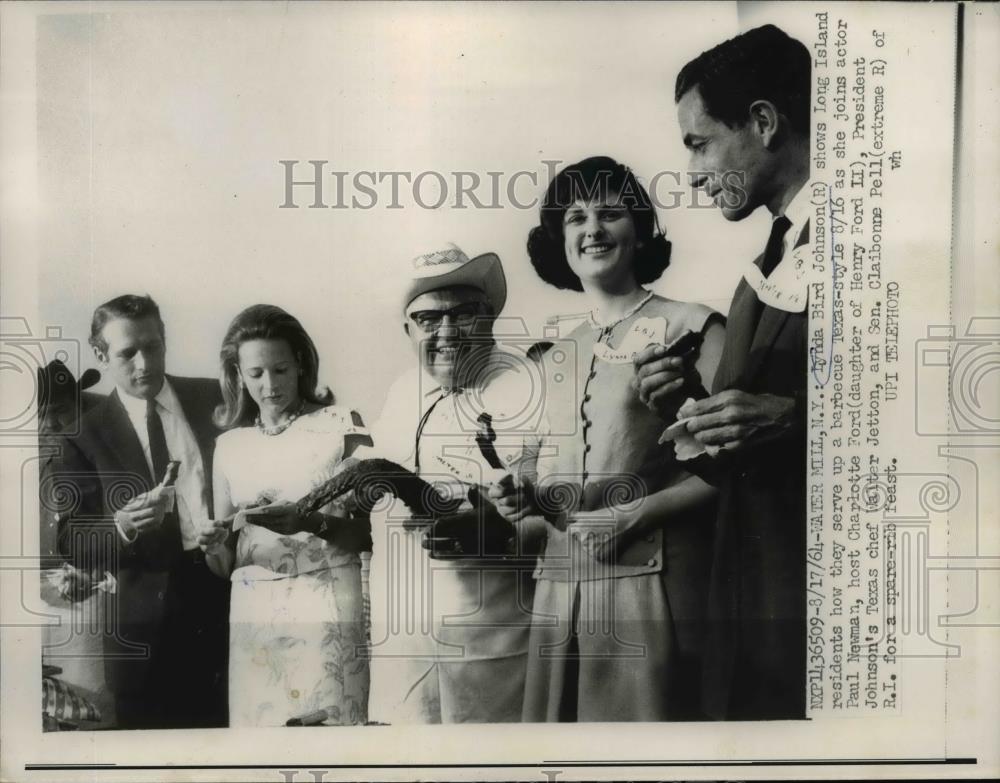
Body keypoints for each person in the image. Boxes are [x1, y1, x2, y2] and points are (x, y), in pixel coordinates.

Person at [502, 156, 726, 721]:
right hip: (558, 597)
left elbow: (741, 468)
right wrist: (519, 497)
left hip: (652, 588)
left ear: (642, 228)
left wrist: (636, 515)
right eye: (575, 217)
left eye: (610, 213)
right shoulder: (549, 356)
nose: (592, 229)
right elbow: (536, 493)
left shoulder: (694, 327)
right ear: (559, 239)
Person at [636, 24, 811, 719]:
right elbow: (745, 443)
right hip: (750, 609)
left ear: (763, 122)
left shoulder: (876, 241)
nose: (692, 172)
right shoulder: (757, 275)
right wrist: (694, 405)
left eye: (698, 142)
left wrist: (793, 419)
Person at [363, 243, 541, 724]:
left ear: (490, 317)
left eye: (463, 314)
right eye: (427, 320)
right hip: (404, 641)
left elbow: (556, 513)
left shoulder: (529, 386)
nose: (446, 332)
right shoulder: (401, 393)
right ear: (407, 329)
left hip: (493, 636)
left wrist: (498, 528)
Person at [52, 294, 228, 729]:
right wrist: (122, 525)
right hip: (141, 637)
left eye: (153, 346)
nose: (145, 364)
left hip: (224, 607)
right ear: (100, 354)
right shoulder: (83, 434)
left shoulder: (216, 399)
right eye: (128, 352)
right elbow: (70, 540)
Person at [197, 304, 372, 727]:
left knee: (334, 738)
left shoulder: (343, 423)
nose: (270, 385)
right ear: (237, 375)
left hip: (327, 601)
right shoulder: (229, 446)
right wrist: (214, 546)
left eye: (281, 370)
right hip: (256, 614)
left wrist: (308, 521)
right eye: (255, 374)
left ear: (300, 364)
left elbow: (368, 535)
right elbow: (224, 566)